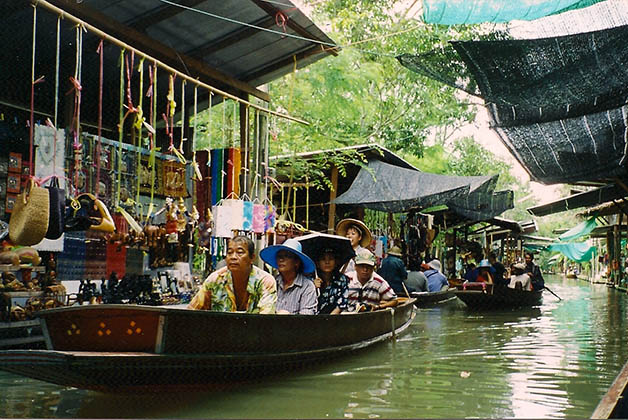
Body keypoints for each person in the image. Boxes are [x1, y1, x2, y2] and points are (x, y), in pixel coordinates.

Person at [188, 235, 277, 313]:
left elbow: (266, 320)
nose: (233, 257)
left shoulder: (265, 281)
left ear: (252, 258)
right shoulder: (215, 280)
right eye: (229, 252)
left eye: (240, 252)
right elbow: (191, 312)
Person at [260, 238, 318, 315]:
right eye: (279, 256)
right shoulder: (272, 282)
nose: (281, 260)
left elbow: (306, 317)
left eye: (287, 256)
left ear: (296, 262)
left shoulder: (307, 286)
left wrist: (287, 317)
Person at [313, 247, 350, 314]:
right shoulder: (311, 280)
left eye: (331, 259)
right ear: (317, 264)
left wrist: (328, 321)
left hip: (335, 319)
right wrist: (312, 287)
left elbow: (341, 305)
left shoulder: (342, 279)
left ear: (336, 262)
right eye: (323, 259)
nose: (327, 262)